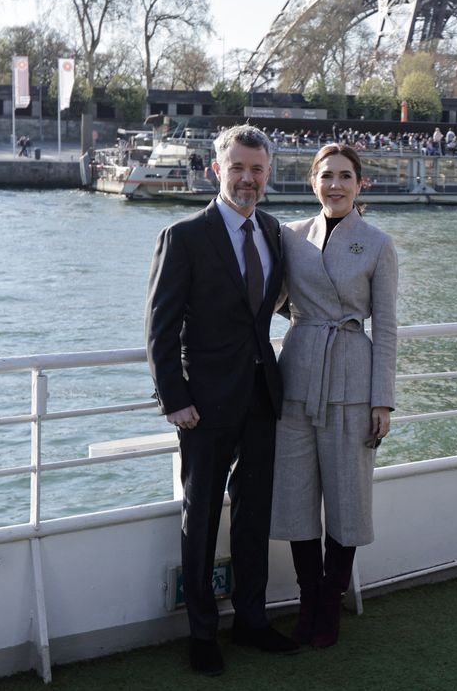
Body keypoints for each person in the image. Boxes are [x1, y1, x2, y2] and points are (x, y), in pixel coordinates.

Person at [144, 124, 298, 676]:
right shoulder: (183, 236)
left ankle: (252, 621)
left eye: (257, 169)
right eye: (237, 167)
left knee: (254, 515)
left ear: (268, 173)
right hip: (203, 405)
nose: (248, 178)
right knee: (202, 515)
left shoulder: (276, 233)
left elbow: (275, 306)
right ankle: (202, 633)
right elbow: (159, 329)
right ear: (216, 170)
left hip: (262, 396)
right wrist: (173, 399)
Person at [271, 143, 398, 649]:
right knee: (298, 497)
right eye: (327, 176)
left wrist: (381, 400)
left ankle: (330, 603)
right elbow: (273, 299)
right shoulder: (289, 237)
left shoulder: (377, 244)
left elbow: (386, 327)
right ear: (312, 182)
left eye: (346, 176)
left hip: (352, 376)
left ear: (360, 184)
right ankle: (308, 600)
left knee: (346, 501)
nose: (336, 185)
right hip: (297, 374)